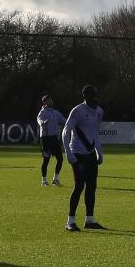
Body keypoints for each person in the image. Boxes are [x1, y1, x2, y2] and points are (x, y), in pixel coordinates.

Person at [62, 85, 105, 232]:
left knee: (92, 186)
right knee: (79, 186)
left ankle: (90, 220)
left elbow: (95, 134)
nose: (97, 99)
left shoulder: (99, 111)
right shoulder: (77, 111)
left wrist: (99, 152)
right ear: (86, 97)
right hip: (78, 154)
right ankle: (70, 221)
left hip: (91, 154)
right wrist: (68, 153)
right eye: (94, 96)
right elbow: (65, 132)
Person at [36, 94, 66, 187]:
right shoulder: (42, 112)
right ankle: (44, 180)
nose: (51, 102)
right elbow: (39, 120)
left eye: (51, 100)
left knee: (60, 159)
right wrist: (42, 123)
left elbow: (64, 121)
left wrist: (72, 122)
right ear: (44, 102)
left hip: (54, 138)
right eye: (49, 100)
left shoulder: (55, 113)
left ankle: (55, 179)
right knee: (46, 160)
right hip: (46, 138)